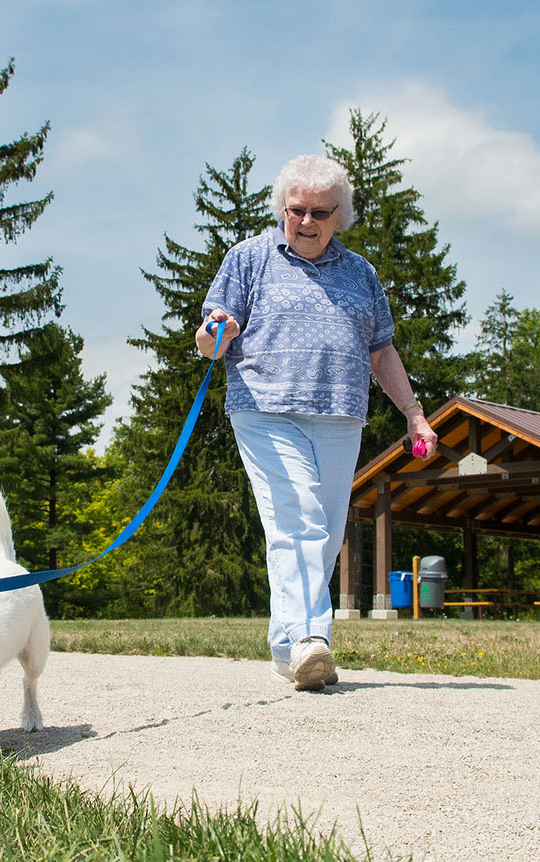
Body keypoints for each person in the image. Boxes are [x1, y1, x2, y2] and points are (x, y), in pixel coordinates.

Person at [196, 154, 438, 691]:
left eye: (320, 213)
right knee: (298, 517)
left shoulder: (361, 274)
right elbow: (209, 336)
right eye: (296, 210)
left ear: (340, 216)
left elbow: (382, 353)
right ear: (282, 208)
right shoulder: (248, 258)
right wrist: (218, 332)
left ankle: (289, 649)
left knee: (321, 536)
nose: (306, 223)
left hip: (340, 414)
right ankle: (312, 638)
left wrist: (415, 415)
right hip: (265, 409)